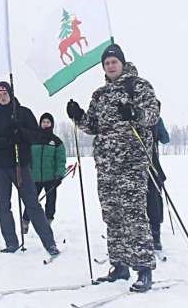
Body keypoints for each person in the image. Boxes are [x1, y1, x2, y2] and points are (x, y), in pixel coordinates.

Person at [67, 43, 160, 293]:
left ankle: (143, 269)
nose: (110, 66)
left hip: (131, 162)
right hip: (106, 165)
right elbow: (93, 126)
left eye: (114, 62)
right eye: (106, 63)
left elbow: (152, 115)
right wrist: (78, 117)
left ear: (122, 62)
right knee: (112, 216)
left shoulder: (138, 86)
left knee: (134, 215)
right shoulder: (99, 94)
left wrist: (134, 112)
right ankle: (119, 265)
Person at [0, 81, 60, 259]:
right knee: (4, 206)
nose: (2, 96)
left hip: (21, 165)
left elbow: (36, 135)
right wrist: (9, 140)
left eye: (5, 93)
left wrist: (20, 131)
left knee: (32, 203)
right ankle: (11, 242)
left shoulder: (23, 113)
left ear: (11, 93)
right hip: (0, 167)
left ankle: (50, 243)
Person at [22, 112, 67, 234]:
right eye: (43, 122)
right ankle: (25, 222)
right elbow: (27, 157)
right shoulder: (33, 139)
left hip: (51, 178)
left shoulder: (56, 142)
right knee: (31, 201)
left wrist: (59, 175)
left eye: (48, 122)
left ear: (51, 124)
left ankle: (48, 223)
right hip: (34, 178)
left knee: (51, 202)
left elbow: (61, 160)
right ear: (40, 123)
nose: (45, 124)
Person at [146, 115, 170, 251]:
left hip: (153, 166)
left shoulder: (156, 120)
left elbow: (165, 139)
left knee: (153, 201)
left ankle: (155, 237)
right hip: (139, 166)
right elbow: (166, 139)